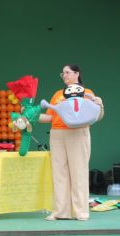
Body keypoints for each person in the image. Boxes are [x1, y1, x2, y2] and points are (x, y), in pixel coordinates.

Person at [39, 64, 104, 221]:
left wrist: (99, 104)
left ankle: (80, 212)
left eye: (67, 72)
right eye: (63, 74)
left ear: (77, 74)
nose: (65, 75)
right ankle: (61, 212)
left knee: (79, 172)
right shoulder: (57, 94)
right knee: (59, 173)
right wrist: (31, 115)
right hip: (57, 134)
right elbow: (49, 117)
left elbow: (97, 116)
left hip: (78, 134)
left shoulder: (87, 93)